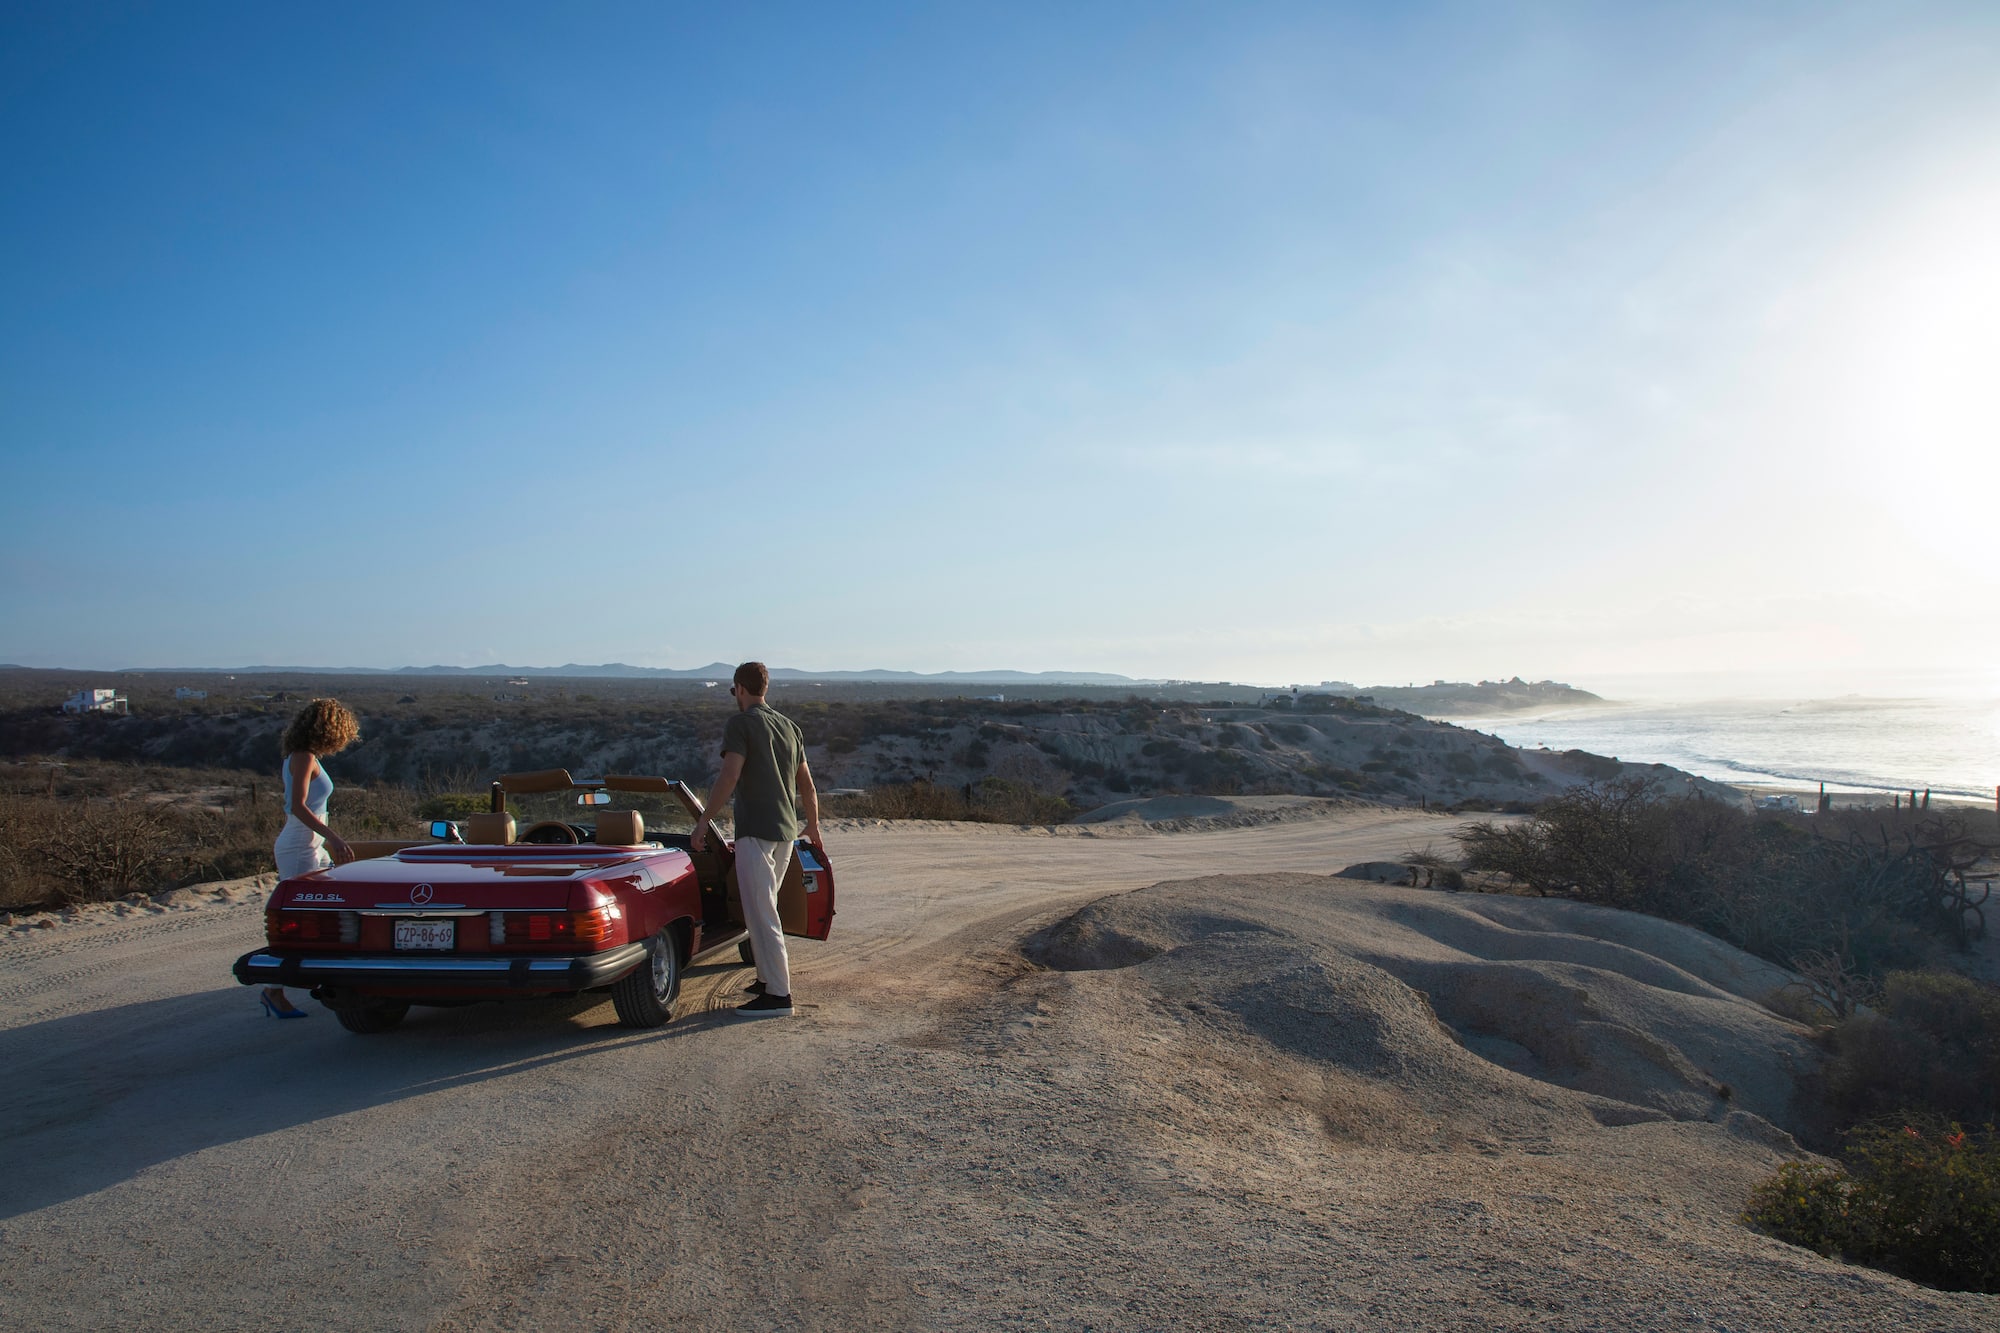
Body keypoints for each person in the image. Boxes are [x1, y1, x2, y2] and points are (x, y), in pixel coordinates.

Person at [692, 661, 821, 1018]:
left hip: (755, 833)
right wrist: (813, 826)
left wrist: (703, 821)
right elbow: (807, 786)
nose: (736, 697)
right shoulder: (790, 727)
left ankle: (779, 995)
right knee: (762, 908)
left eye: (735, 691)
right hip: (785, 832)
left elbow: (729, 775)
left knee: (762, 913)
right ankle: (766, 980)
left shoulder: (741, 724)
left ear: (741, 689)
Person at [262, 698, 360, 1018]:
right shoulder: (303, 757)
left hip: (309, 845)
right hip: (299, 845)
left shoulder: (304, 755)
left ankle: (328, 976)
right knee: (297, 919)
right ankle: (273, 990)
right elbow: (297, 806)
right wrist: (333, 838)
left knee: (331, 907)